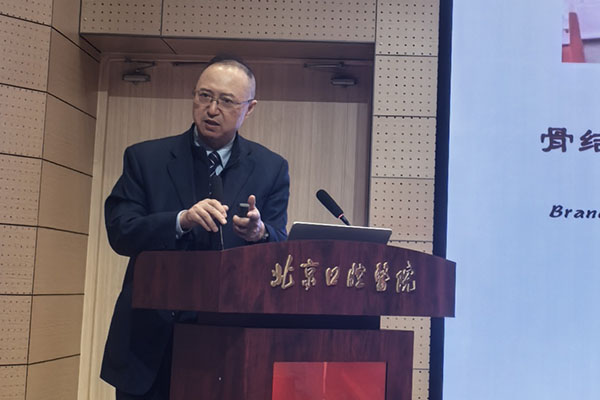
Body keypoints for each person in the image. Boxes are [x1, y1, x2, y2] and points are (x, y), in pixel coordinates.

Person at [100, 56, 290, 400]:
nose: (212, 109)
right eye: (204, 96)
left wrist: (260, 233)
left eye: (226, 101)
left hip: (231, 343)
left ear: (249, 109)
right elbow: (120, 231)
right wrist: (179, 221)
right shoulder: (145, 159)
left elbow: (280, 244)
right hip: (150, 343)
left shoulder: (271, 168)